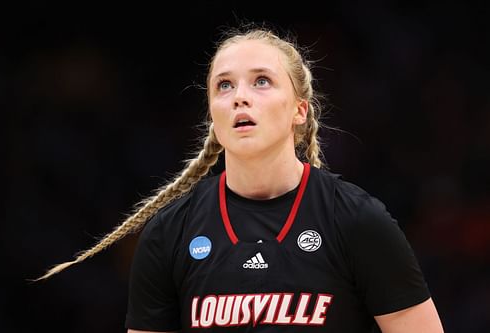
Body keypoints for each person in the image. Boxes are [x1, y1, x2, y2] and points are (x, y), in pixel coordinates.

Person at [38, 27, 444, 332]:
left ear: (300, 110)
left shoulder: (356, 220)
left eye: (261, 81)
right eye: (224, 85)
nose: (239, 96)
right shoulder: (169, 233)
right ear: (213, 115)